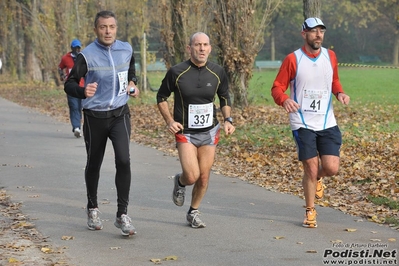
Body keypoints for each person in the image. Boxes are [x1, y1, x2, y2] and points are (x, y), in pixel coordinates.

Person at [64, 10, 140, 236]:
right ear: (96, 29)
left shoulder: (126, 49)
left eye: (112, 27)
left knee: (124, 160)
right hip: (95, 117)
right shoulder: (87, 55)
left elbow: (131, 71)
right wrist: (82, 90)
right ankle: (92, 208)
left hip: (119, 114)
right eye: (103, 27)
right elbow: (69, 84)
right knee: (94, 162)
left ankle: (122, 214)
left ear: (116, 28)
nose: (108, 31)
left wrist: (133, 84)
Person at [271, 17, 350, 228]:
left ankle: (318, 179)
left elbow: (333, 80)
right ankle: (310, 211)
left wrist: (339, 92)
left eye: (321, 31)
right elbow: (277, 87)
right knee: (311, 168)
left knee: (331, 168)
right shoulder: (293, 59)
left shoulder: (330, 56)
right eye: (313, 31)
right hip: (302, 121)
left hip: (326, 120)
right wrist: (285, 99)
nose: (318, 35)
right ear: (304, 34)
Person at [156, 32, 235, 228]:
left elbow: (224, 97)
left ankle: (193, 212)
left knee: (204, 176)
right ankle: (181, 182)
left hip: (209, 131)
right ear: (189, 48)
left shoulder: (217, 72)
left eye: (205, 45)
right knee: (192, 176)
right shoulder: (177, 72)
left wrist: (228, 119)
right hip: (186, 132)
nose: (201, 48)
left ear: (209, 48)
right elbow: (161, 97)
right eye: (197, 45)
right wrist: (169, 121)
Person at [58, 39, 84, 138]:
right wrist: (62, 76)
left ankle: (78, 127)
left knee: (80, 107)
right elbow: (60, 68)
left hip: (82, 87)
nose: (77, 50)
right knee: (74, 107)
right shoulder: (66, 58)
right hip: (71, 87)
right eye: (75, 48)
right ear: (72, 48)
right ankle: (76, 127)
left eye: (79, 48)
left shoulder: (83, 58)